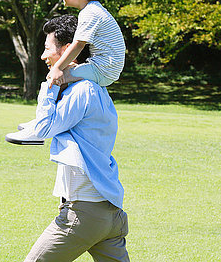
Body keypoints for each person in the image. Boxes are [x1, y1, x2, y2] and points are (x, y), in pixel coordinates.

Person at [17, 15, 130, 262]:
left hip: (84, 214)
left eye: (47, 49)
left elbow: (45, 127)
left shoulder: (83, 90)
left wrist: (50, 84)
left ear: (67, 51)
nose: (43, 57)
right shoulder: (95, 88)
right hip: (110, 213)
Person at [7, 0, 126, 145]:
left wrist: (58, 68)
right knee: (62, 76)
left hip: (102, 69)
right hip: (103, 68)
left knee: (54, 78)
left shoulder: (90, 13)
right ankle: (40, 123)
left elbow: (77, 45)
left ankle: (40, 130)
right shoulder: (94, 10)